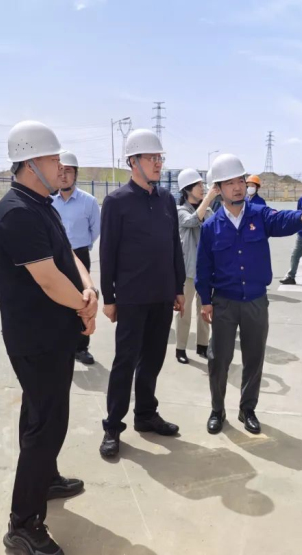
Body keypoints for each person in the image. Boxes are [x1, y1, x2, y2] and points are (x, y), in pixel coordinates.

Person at [0, 120, 99, 555]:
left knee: (40, 415)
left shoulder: (42, 204)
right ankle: (23, 524)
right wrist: (83, 307)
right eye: (54, 160)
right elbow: (49, 279)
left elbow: (68, 254)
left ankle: (45, 478)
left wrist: (88, 289)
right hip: (35, 339)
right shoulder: (17, 212)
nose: (61, 167)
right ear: (31, 162)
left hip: (54, 334)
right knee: (46, 425)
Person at [196, 154, 302, 435]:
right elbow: (203, 268)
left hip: (255, 300)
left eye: (240, 181)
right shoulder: (210, 227)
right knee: (219, 360)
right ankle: (217, 410)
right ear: (218, 189)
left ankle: (248, 409)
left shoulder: (259, 214)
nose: (238, 187)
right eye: (230, 183)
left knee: (254, 358)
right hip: (224, 302)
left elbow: (281, 220)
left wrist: (301, 217)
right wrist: (205, 301)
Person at [99, 128, 186, 458]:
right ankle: (112, 425)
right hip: (132, 298)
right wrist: (109, 298)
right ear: (133, 162)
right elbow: (107, 253)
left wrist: (178, 287)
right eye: (152, 158)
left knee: (153, 359)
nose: (158, 163)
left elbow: (174, 246)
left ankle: (146, 414)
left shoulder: (166, 200)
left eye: (160, 158)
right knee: (125, 362)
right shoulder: (116, 202)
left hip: (162, 295)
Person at [52, 150, 101, 365]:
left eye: (68, 171)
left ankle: (81, 347)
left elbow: (95, 229)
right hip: (54, 257)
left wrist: (83, 245)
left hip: (79, 255)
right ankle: (59, 345)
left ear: (76, 174)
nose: (63, 175)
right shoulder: (48, 202)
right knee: (55, 299)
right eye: (60, 170)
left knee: (83, 300)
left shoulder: (88, 202)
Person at [175, 168, 217, 365]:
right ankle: (181, 348)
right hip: (188, 271)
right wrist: (209, 199)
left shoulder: (208, 211)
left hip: (206, 270)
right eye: (198, 185)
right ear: (187, 189)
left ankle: (202, 345)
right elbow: (193, 221)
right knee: (184, 311)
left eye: (202, 184)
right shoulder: (180, 211)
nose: (202, 188)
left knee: (205, 308)